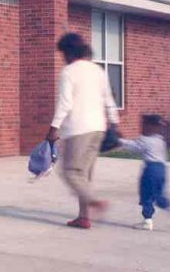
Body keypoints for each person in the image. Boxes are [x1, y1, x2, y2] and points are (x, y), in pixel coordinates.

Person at [46, 31, 119, 229]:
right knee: (84, 174)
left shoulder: (69, 72)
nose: (63, 58)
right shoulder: (97, 70)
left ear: (69, 52)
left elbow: (65, 102)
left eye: (63, 53)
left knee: (70, 172)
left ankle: (95, 202)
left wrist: (54, 127)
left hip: (79, 129)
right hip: (99, 128)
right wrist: (114, 122)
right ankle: (83, 217)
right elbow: (108, 98)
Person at [120, 113, 170, 230]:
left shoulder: (145, 140)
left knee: (146, 194)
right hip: (162, 169)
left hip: (150, 169)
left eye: (143, 125)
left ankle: (149, 219)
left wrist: (119, 141)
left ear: (149, 126)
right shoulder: (160, 140)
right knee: (158, 194)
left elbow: (133, 147)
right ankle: (167, 209)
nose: (141, 127)